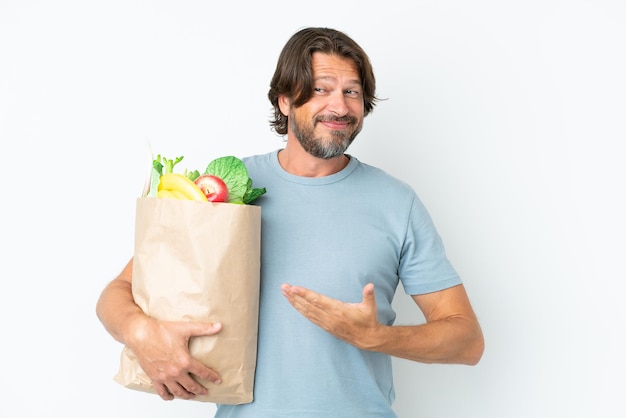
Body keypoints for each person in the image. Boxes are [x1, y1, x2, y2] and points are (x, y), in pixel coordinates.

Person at [96, 27, 484, 417]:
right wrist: (142, 333)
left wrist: (376, 337)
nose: (341, 106)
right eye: (321, 89)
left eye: (352, 91)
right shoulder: (227, 190)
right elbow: (118, 293)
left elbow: (466, 340)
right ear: (284, 100)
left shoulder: (397, 202)